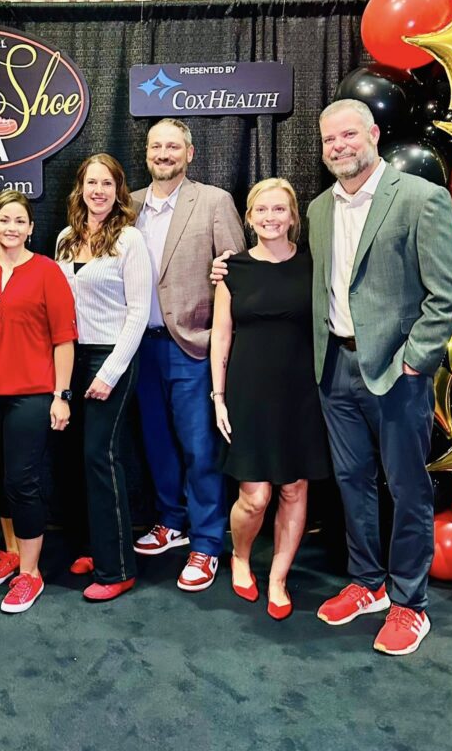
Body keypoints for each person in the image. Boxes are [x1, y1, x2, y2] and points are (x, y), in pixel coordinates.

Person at [212, 99, 452, 654]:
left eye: (349, 134)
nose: (340, 147)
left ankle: (408, 604)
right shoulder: (322, 207)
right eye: (330, 140)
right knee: (352, 485)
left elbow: (448, 292)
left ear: (373, 134)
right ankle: (368, 582)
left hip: (397, 372)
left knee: (406, 489)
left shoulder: (421, 198)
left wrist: (414, 360)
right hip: (333, 372)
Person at [132, 118, 245, 592]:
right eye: (156, 146)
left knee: (200, 450)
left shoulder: (214, 201)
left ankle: (206, 541)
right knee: (156, 443)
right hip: (140, 346)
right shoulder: (129, 204)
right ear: (146, 153)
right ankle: (172, 521)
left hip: (193, 345)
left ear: (189, 154)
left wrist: (228, 269)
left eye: (173, 146)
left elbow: (240, 270)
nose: (164, 153)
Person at [209, 178, 330, 620]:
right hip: (248, 392)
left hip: (301, 393)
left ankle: (278, 577)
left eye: (280, 210)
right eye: (262, 210)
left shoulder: (313, 266)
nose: (270, 218)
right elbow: (221, 336)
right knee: (255, 496)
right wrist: (218, 396)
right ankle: (240, 557)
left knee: (294, 489)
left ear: (293, 217)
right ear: (249, 216)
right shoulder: (232, 270)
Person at [0, 191, 77, 613]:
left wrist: (62, 395)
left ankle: (30, 574)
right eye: (4, 220)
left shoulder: (48, 272)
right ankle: (12, 552)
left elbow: (64, 339)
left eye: (20, 220)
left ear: (31, 228)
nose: (11, 227)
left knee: (22, 482)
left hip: (32, 394)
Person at [54, 154, 151, 601]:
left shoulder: (130, 239)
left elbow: (139, 312)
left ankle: (118, 569)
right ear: (80, 188)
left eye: (107, 184)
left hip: (112, 358)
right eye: (91, 182)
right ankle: (94, 547)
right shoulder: (64, 240)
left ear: (118, 190)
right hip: (71, 357)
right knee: (77, 459)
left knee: (101, 457)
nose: (98, 191)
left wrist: (110, 371)